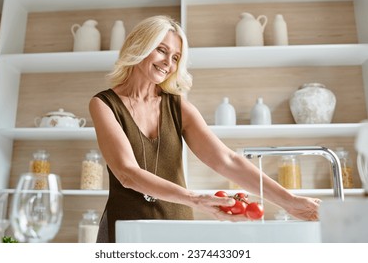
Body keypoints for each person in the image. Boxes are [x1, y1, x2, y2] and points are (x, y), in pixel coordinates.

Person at [89, 15, 320, 243]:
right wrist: (195, 198)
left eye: (176, 57)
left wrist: (290, 201)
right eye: (161, 50)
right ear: (140, 45)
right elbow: (127, 173)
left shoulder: (178, 108)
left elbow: (227, 160)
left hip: (178, 229)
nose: (169, 63)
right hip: (125, 230)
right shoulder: (104, 104)